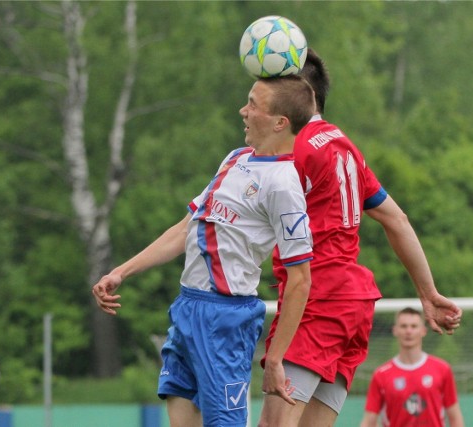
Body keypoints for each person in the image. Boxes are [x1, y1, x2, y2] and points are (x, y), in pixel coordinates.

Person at [92, 75, 317, 427]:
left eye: (253, 105)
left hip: (227, 320)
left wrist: (274, 360)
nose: (243, 111)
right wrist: (121, 271)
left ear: (279, 122)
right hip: (187, 308)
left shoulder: (284, 185)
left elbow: (301, 280)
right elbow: (185, 228)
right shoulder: (235, 158)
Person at [257, 49, 462, 427]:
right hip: (352, 307)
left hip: (317, 300)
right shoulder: (343, 144)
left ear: (299, 93)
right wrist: (427, 293)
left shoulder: (295, 146)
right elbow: (395, 218)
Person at [359, 307, 465, 427]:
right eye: (404, 326)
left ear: (423, 331)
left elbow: (455, 417)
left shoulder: (442, 369)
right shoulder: (381, 374)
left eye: (414, 326)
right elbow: (369, 421)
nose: (408, 331)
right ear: (395, 330)